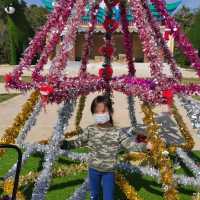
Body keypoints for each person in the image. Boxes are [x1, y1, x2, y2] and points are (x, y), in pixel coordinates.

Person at [66, 95, 152, 200]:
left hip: (109, 172)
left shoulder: (117, 131)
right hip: (93, 170)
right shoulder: (90, 130)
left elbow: (130, 145)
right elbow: (78, 142)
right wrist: (65, 144)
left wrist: (145, 146)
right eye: (96, 112)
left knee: (109, 197)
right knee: (95, 195)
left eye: (103, 111)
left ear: (110, 111)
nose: (99, 114)